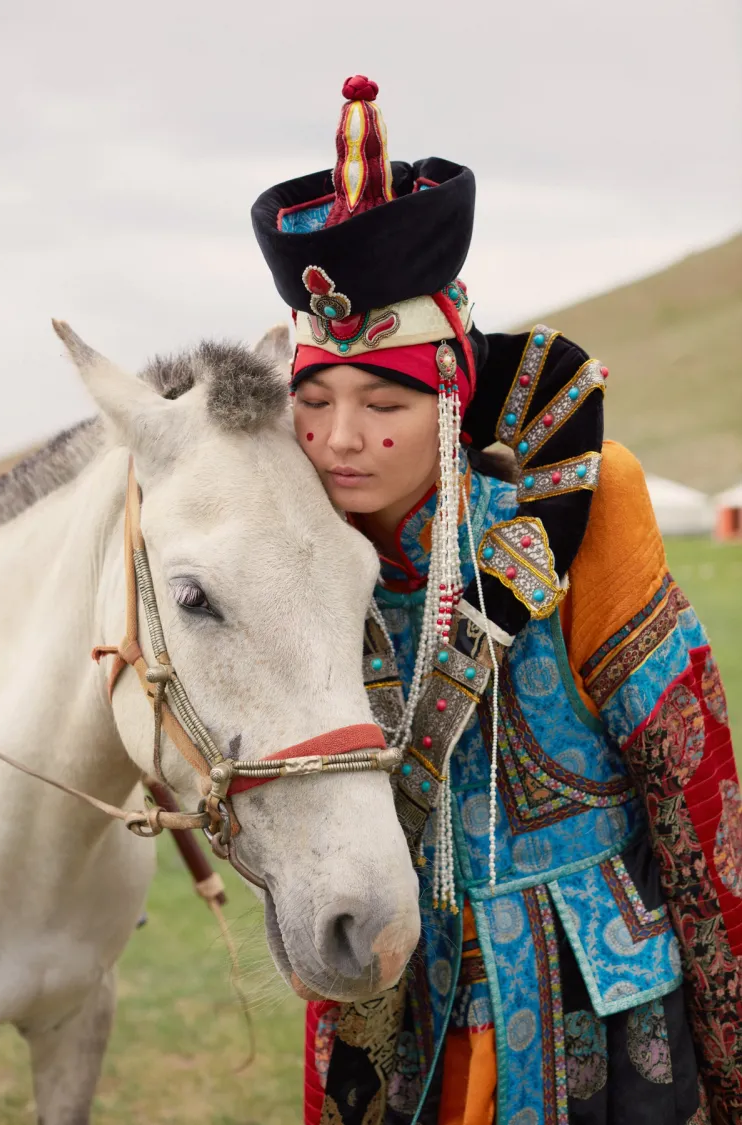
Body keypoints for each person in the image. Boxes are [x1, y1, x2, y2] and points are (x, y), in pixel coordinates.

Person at [251, 76, 742, 1125]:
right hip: (397, 995)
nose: (341, 440)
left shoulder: (584, 503)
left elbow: (689, 780)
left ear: (450, 394)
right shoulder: (287, 556)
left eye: (383, 402)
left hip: (597, 999)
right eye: (314, 401)